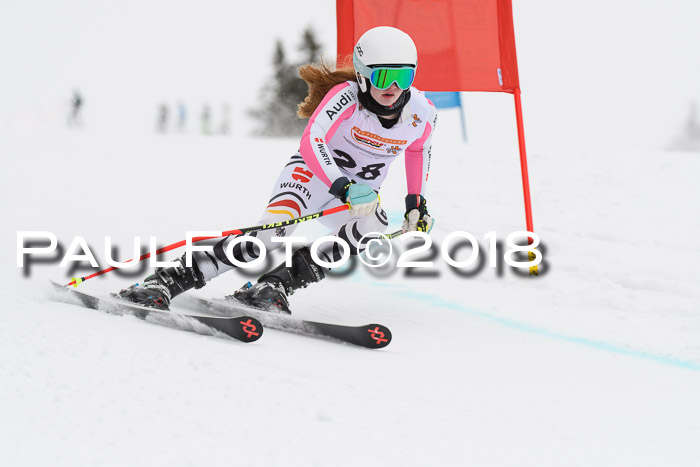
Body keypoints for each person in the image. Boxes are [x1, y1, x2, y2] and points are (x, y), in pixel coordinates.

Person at [115, 26, 437, 313]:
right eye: (383, 77)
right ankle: (166, 280)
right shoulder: (346, 98)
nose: (393, 87)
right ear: (364, 74)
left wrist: (415, 205)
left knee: (373, 227)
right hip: (311, 179)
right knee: (267, 237)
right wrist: (343, 185)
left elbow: (419, 149)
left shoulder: (422, 112)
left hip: (355, 197)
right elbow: (312, 140)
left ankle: (276, 285)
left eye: (404, 77)